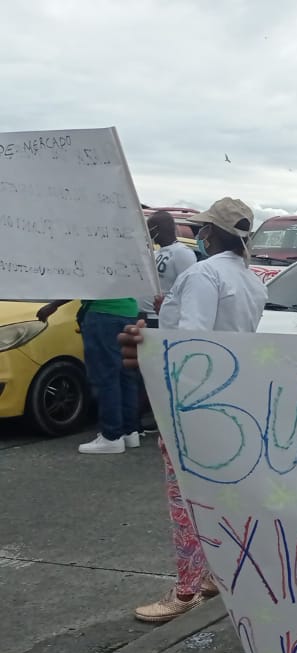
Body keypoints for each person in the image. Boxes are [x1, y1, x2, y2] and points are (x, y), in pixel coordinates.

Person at [127, 197, 268, 623]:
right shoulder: (252, 281)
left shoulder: (205, 274)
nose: (199, 235)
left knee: (183, 497)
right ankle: (212, 576)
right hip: (230, 399)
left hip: (194, 400)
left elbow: (190, 344)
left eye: (204, 230)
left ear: (211, 234)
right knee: (215, 496)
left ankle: (187, 589)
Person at [37, 295, 141, 454]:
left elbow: (82, 282)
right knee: (125, 374)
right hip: (128, 311)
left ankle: (111, 437)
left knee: (105, 376)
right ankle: (130, 432)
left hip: (102, 313)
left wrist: (53, 305)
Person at [147, 211, 197, 328]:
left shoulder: (182, 253)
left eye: (149, 228)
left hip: (161, 317)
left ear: (158, 229)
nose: (148, 232)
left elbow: (188, 287)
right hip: (147, 316)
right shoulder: (157, 252)